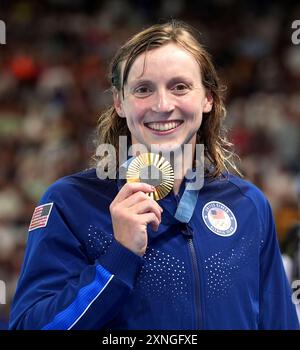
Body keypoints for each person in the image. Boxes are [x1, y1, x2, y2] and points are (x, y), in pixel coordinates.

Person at [9, 20, 299, 330]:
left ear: (207, 99)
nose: (162, 105)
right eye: (144, 89)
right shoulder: (72, 203)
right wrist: (118, 258)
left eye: (180, 87)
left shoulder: (249, 206)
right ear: (120, 102)